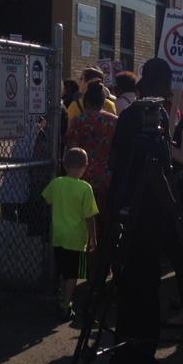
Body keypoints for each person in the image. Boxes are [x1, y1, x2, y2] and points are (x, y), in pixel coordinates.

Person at [107, 58, 183, 364]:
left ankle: (140, 359)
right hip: (141, 216)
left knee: (139, 291)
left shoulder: (131, 115)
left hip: (131, 211)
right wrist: (175, 210)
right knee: (140, 293)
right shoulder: (143, 117)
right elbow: (157, 170)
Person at [41, 147, 99, 321]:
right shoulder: (85, 188)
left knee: (62, 269)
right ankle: (66, 304)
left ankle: (60, 298)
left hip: (59, 235)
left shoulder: (56, 183)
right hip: (77, 238)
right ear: (85, 166)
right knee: (73, 273)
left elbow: (46, 199)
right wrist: (93, 238)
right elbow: (90, 216)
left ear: (64, 165)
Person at [64, 81, 118, 250]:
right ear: (103, 102)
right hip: (106, 178)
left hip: (82, 177)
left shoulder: (78, 121)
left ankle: (84, 257)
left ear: (86, 101)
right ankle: (104, 257)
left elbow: (72, 151)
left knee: (83, 222)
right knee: (105, 220)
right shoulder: (114, 122)